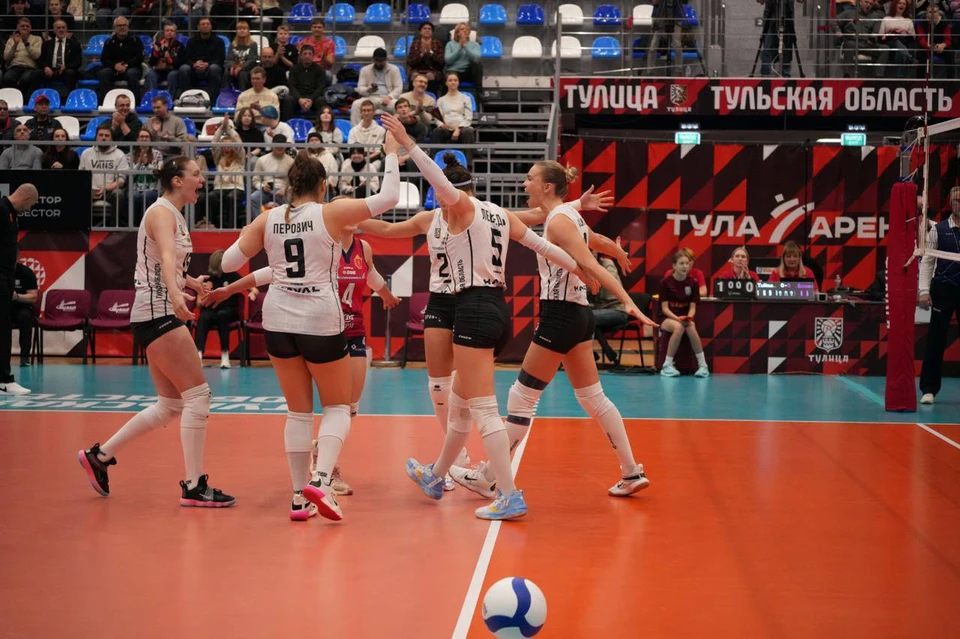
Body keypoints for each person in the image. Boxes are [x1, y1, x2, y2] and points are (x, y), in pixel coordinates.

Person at [381, 114, 593, 520]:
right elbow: (544, 247)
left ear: (452, 193)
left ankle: (509, 495)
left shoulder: (463, 209)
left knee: (482, 408)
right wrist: (583, 269)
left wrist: (408, 144)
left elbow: (439, 183)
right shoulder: (499, 213)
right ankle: (436, 475)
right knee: (460, 406)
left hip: (474, 309)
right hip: (496, 308)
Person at [359, 185, 616, 491]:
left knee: (480, 405)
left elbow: (535, 216)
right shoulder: (430, 219)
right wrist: (350, 216)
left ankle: (500, 490)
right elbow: (388, 229)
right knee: (444, 389)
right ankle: (442, 470)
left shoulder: (482, 213)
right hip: (444, 301)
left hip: (475, 304)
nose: (443, 197)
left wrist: (576, 207)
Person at [212, 134, 402, 521]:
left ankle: (299, 497)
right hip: (319, 316)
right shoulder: (330, 213)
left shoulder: (268, 217)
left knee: (298, 412)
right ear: (323, 186)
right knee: (337, 407)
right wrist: (393, 155)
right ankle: (321, 479)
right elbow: (389, 198)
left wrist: (250, 237)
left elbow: (228, 263)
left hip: (277, 318)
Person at [449, 162, 655, 500]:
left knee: (522, 397)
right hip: (579, 316)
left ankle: (487, 477)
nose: (524, 183)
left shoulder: (559, 220)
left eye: (530, 178)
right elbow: (595, 241)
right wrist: (616, 249)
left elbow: (588, 262)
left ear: (546, 186)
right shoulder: (567, 216)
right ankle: (631, 471)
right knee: (593, 398)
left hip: (559, 316)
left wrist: (627, 301)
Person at [78, 156, 236, 507]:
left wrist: (190, 282)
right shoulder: (162, 213)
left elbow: (165, 263)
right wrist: (177, 295)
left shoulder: (174, 214)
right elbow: (165, 257)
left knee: (171, 404)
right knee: (199, 397)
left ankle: (99, 456)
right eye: (196, 174)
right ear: (177, 180)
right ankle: (194, 487)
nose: (203, 179)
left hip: (153, 310)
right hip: (158, 311)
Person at [316, 220, 401, 496]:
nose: (353, 216)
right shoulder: (323, 244)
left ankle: (321, 448)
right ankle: (327, 470)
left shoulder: (363, 248)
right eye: (346, 209)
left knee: (351, 407)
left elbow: (372, 275)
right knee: (334, 405)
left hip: (354, 330)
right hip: (325, 329)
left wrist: (387, 295)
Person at [918, 186, 960, 405]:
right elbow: (927, 261)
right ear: (950, 203)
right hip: (943, 289)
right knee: (935, 340)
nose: (959, 204)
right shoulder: (938, 230)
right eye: (956, 200)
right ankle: (929, 389)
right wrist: (924, 290)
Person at [0, 185, 39, 396]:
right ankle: (4, 380)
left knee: (3, 327)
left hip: (6, 278)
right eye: (31, 204)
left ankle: (3, 378)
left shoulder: (12, 215)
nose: (29, 209)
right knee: (3, 329)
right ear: (26, 198)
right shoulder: (1, 210)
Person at [195, 249, 255, 369]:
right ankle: (198, 355)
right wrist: (204, 296)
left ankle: (225, 355)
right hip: (211, 310)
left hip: (228, 311)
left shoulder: (233, 276)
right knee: (204, 317)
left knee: (222, 315)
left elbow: (253, 289)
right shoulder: (208, 278)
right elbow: (199, 303)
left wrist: (252, 293)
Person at [659, 249, 709, 378]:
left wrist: (689, 317)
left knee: (691, 327)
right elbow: (665, 308)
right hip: (667, 318)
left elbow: (692, 307)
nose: (685, 266)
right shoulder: (665, 283)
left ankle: (703, 365)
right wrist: (677, 318)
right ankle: (667, 365)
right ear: (674, 266)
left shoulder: (693, 283)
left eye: (687, 263)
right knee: (679, 327)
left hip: (685, 317)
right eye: (681, 263)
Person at [11, 260, 38, 367]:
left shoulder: (26, 272)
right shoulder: (2, 271)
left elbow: (33, 297)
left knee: (25, 316)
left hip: (21, 307)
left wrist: (16, 297)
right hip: (4, 307)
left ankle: (24, 358)